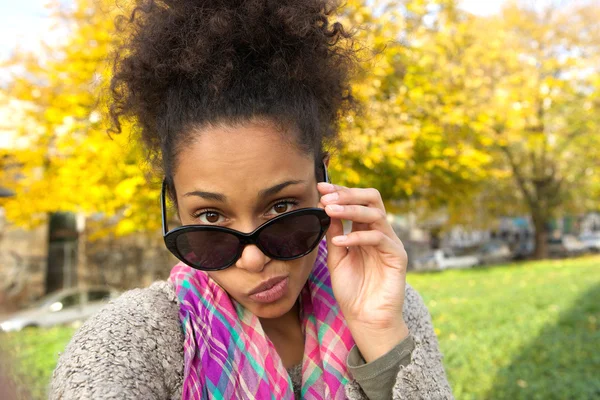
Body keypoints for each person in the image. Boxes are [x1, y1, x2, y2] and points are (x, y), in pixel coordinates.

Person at [50, 0, 453, 399]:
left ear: (322, 181)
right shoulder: (131, 342)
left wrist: (381, 337)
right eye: (211, 217)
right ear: (174, 205)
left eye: (282, 208)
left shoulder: (390, 304)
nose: (253, 260)